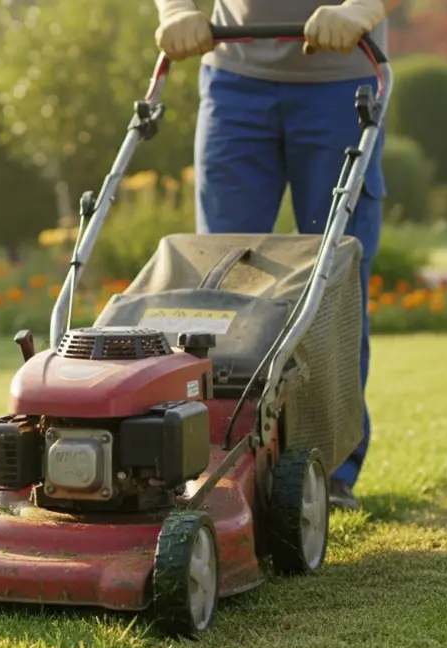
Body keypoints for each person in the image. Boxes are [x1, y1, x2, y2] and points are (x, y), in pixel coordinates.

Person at [153, 0, 398, 513]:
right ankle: (214, 457)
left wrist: (364, 8)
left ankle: (330, 470)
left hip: (342, 74)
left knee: (335, 278)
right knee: (219, 282)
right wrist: (176, 10)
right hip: (233, 75)